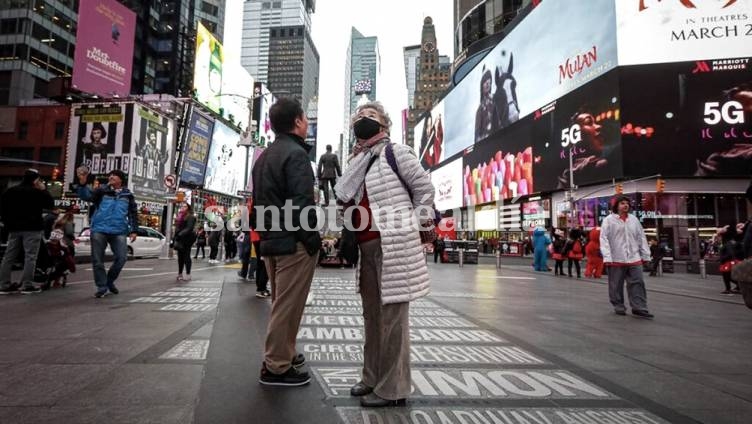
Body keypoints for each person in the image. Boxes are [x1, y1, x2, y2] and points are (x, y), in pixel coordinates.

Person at [334, 101, 434, 408]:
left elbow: (424, 189)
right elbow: (346, 203)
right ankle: (371, 377)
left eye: (371, 116)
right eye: (359, 117)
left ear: (384, 126)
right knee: (372, 318)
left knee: (393, 321)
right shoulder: (355, 163)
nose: (364, 119)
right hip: (366, 248)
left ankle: (393, 389)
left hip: (394, 245)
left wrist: (419, 225)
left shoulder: (395, 152)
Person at [251, 97, 321, 386]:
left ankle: (285, 353)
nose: (307, 123)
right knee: (288, 306)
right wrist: (312, 240)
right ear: (297, 122)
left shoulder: (264, 156)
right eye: (305, 118)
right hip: (293, 243)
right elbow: (302, 202)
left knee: (283, 303)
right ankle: (276, 365)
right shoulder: (296, 155)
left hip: (270, 241)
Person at [76, 168, 138, 298]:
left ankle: (109, 281)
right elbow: (86, 196)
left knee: (122, 258)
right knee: (97, 259)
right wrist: (82, 184)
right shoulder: (101, 191)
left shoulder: (128, 195)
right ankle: (102, 286)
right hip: (99, 229)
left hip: (119, 230)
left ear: (121, 180)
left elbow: (132, 213)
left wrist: (133, 230)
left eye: (115, 175)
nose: (111, 177)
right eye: (110, 175)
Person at [0, 169, 54, 294]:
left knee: (9, 256)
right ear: (35, 180)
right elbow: (50, 204)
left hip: (14, 229)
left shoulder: (10, 192)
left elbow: (3, 210)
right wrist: (44, 189)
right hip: (32, 228)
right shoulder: (37, 192)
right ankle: (26, 284)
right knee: (30, 257)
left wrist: (8, 224)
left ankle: (3, 284)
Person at [600, 196, 654, 319]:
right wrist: (607, 257)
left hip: (634, 258)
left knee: (638, 282)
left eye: (627, 203)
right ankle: (618, 305)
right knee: (616, 285)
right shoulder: (608, 220)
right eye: (622, 203)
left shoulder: (634, 220)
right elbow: (604, 239)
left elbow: (641, 238)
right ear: (616, 206)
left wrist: (646, 255)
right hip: (616, 259)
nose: (626, 205)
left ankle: (639, 307)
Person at [474, 66, 499, 143]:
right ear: (481, 85)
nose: (488, 84)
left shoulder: (496, 98)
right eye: (485, 82)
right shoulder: (480, 109)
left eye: (490, 82)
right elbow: (477, 137)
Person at [174, 203, 197, 281]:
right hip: (180, 239)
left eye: (185, 206)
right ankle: (180, 274)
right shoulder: (179, 216)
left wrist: (180, 234)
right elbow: (177, 228)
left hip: (187, 239)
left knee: (186, 256)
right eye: (182, 206)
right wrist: (174, 238)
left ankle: (188, 274)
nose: (183, 207)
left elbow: (189, 228)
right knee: (180, 257)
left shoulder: (191, 217)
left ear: (188, 208)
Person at [718, 225, 743, 294]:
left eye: (720, 236)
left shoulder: (727, 243)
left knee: (727, 276)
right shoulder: (730, 242)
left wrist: (723, 258)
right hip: (730, 261)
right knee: (729, 276)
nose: (719, 238)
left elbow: (730, 253)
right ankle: (735, 287)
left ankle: (732, 287)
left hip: (728, 262)